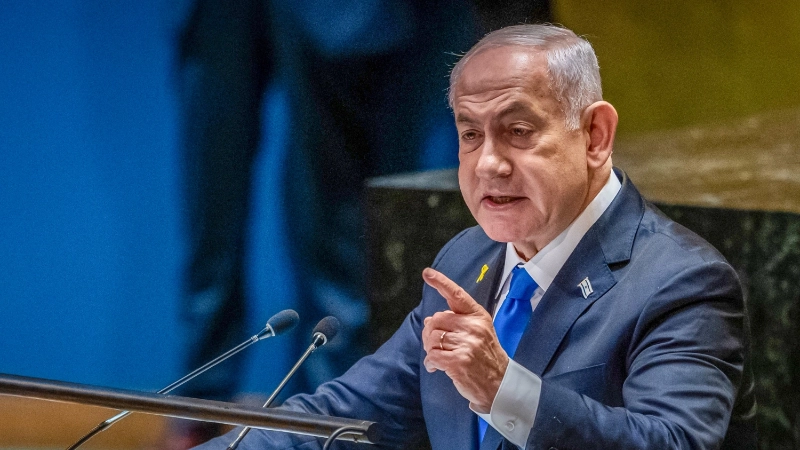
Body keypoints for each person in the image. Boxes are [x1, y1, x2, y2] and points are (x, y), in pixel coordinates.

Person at [194, 24, 757, 450]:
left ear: (594, 135)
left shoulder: (680, 282)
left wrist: (504, 390)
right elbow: (345, 414)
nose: (488, 163)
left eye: (518, 131)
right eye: (469, 134)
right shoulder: (466, 259)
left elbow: (672, 442)